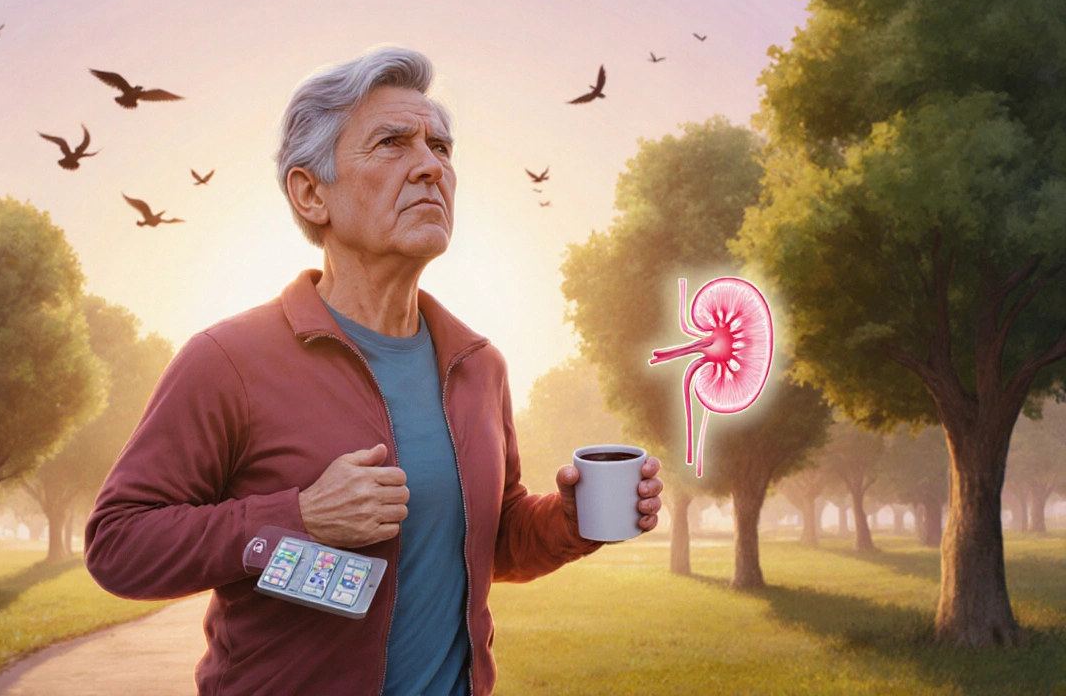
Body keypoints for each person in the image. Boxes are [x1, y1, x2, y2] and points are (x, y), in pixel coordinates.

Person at [84, 45, 663, 696]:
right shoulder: (227, 360)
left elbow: (487, 544)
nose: (431, 167)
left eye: (440, 147)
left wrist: (569, 520)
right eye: (392, 143)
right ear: (311, 193)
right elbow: (117, 545)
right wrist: (299, 516)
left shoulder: (479, 366)